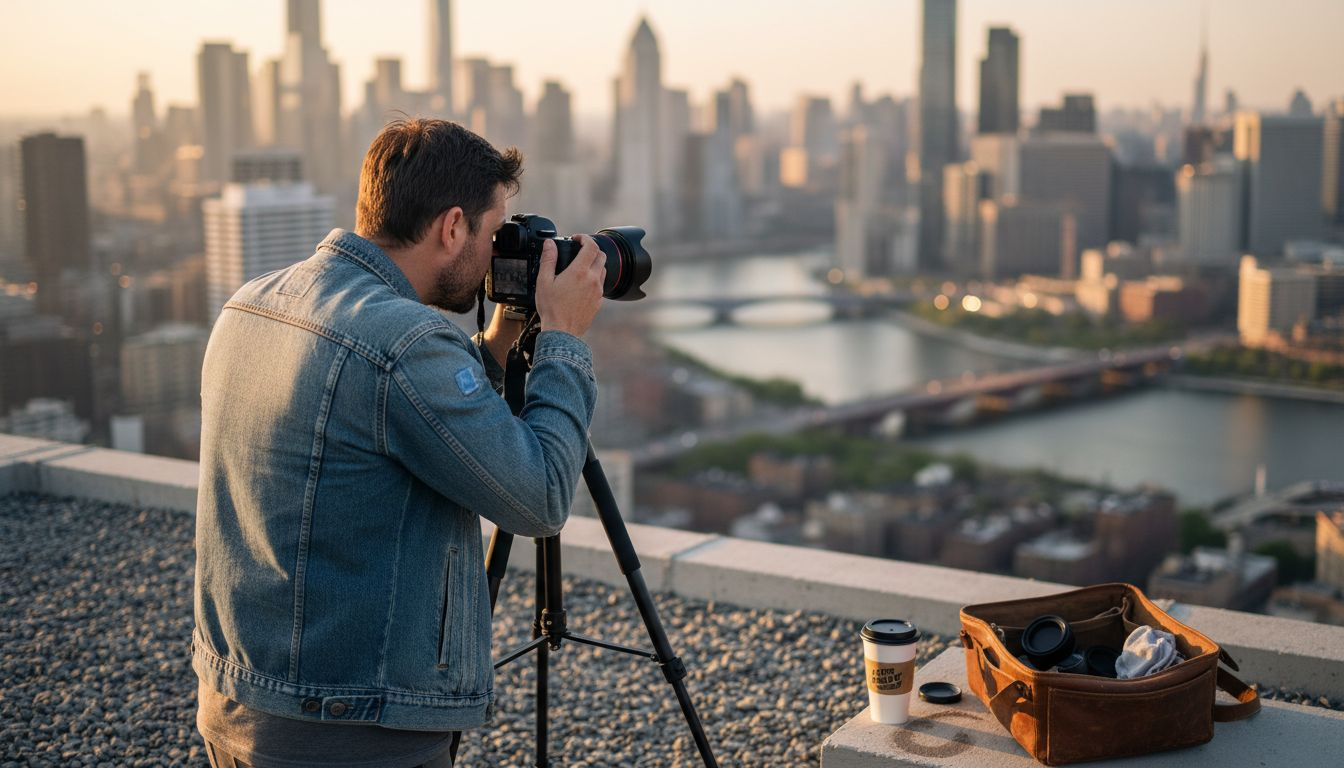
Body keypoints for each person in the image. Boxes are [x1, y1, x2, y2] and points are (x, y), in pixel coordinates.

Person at [192, 118, 606, 767]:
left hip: (238, 706)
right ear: (450, 228)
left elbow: (385, 412)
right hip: (354, 735)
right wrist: (565, 339)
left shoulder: (251, 304)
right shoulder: (405, 346)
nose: (498, 253)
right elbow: (541, 497)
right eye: (494, 232)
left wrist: (497, 345)